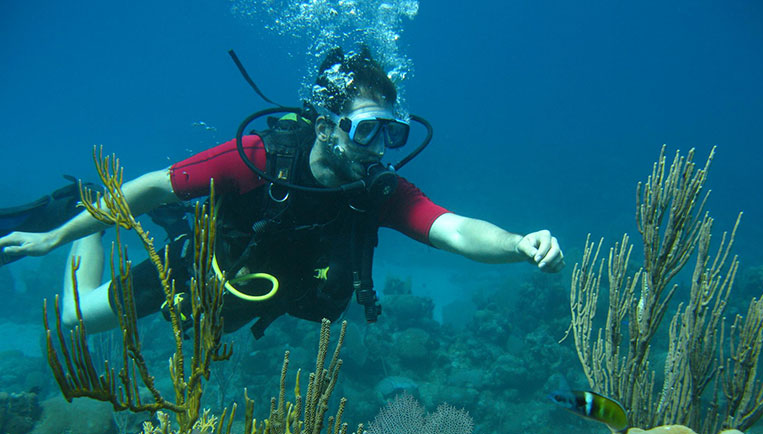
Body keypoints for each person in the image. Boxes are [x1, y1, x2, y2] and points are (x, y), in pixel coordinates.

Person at [0, 47, 564, 338]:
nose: (379, 148)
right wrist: (55, 237)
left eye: (392, 131)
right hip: (205, 265)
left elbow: (454, 227)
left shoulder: (377, 191)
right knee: (76, 318)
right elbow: (150, 187)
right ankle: (81, 209)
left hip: (261, 292)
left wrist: (518, 244)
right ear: (325, 126)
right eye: (366, 129)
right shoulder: (262, 159)